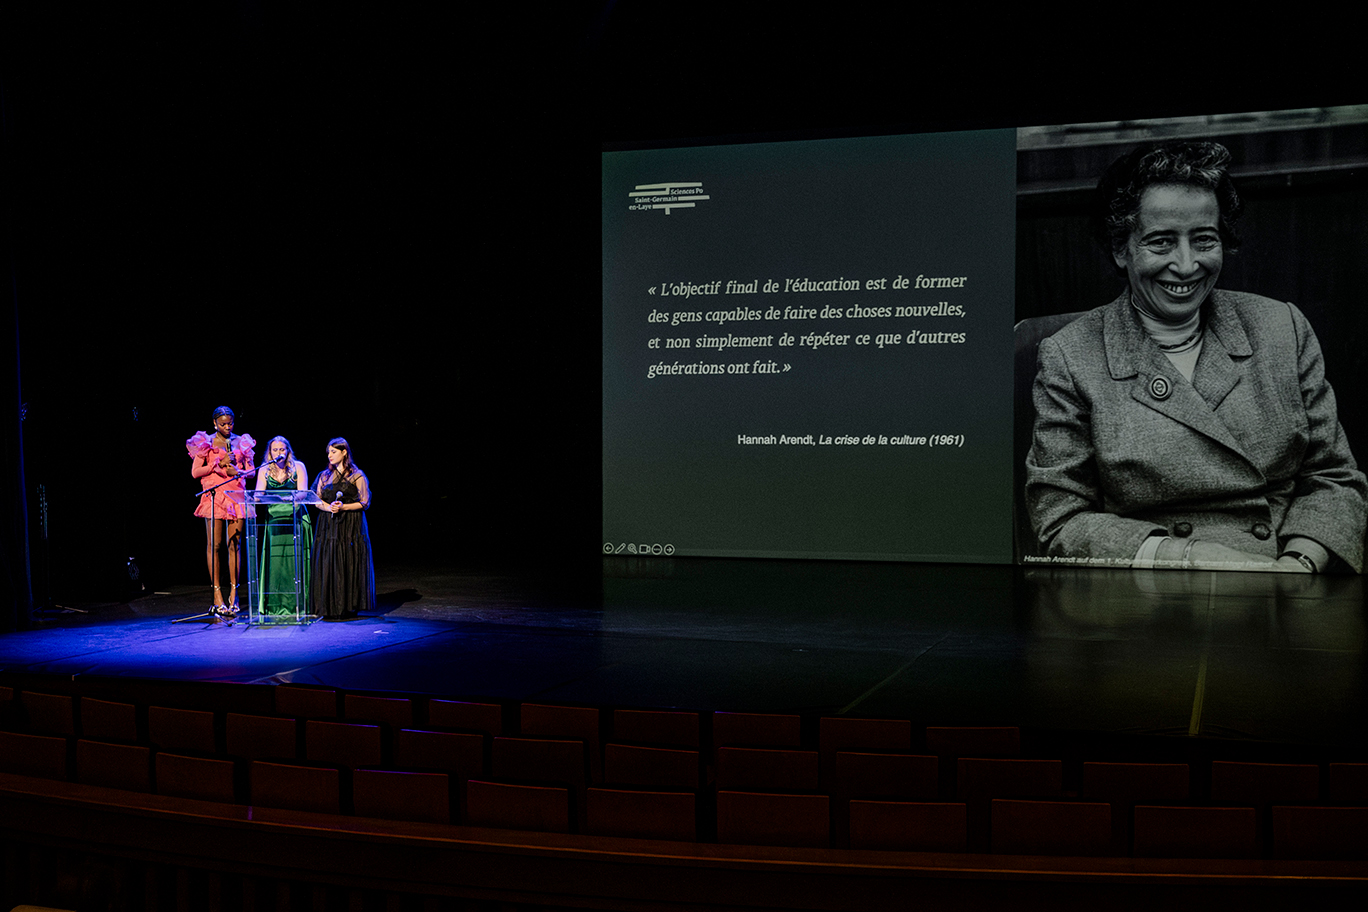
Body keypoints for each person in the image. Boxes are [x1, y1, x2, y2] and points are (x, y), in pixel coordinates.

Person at [1026, 141, 1367, 573]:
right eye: (1162, 242)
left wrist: (1298, 566)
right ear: (1120, 249)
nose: (1186, 266)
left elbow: (1334, 477)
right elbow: (1059, 522)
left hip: (1285, 570)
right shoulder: (1071, 356)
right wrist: (1189, 558)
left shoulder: (1282, 327)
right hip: (1154, 593)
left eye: (1203, 239)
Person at [188, 406, 256, 613]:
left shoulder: (241, 442)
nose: (227, 427)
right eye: (223, 424)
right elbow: (195, 472)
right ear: (214, 423)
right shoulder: (205, 442)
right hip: (215, 496)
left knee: (234, 544)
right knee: (215, 545)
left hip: (235, 496)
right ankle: (216, 593)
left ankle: (234, 593)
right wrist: (218, 464)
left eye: (230, 423)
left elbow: (251, 473)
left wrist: (239, 470)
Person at [311, 437, 375, 619]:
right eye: (328, 452)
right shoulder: (324, 476)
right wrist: (328, 507)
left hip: (350, 526)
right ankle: (328, 605)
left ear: (344, 452)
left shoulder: (356, 475)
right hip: (328, 525)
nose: (330, 455)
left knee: (347, 561)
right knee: (329, 561)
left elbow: (364, 502)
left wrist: (343, 507)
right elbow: (317, 500)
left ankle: (347, 605)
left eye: (334, 451)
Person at [254, 436, 313, 618]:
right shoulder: (264, 469)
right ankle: (273, 605)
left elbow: (303, 491)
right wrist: (255, 498)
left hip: (295, 517)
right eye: (275, 450)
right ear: (269, 452)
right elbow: (257, 494)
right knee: (277, 566)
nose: (279, 453)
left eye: (282, 449)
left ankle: (300, 605)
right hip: (275, 521)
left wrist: (292, 498)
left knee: (294, 564)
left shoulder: (298, 466)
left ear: (288, 451)